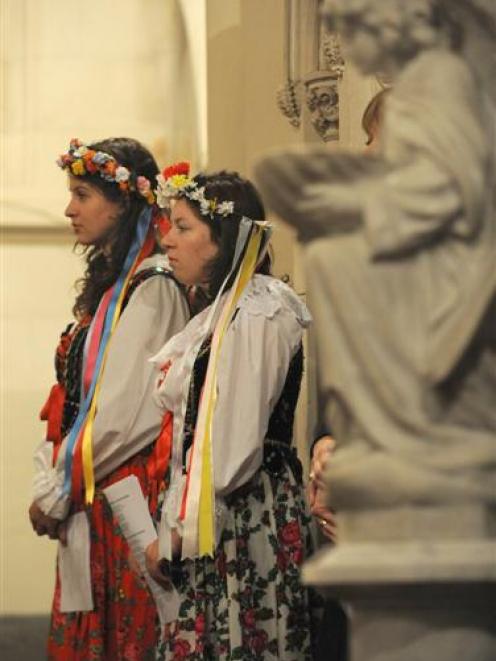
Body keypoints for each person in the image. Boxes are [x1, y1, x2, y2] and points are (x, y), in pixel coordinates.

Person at [145, 166, 319, 660]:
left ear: (222, 238)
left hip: (246, 514)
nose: (168, 240)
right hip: (214, 515)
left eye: (183, 227)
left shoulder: (262, 309)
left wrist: (177, 536)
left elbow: (235, 448)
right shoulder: (218, 314)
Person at [28, 138, 190, 661]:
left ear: (122, 204)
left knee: (128, 640)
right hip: (94, 491)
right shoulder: (113, 290)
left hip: (125, 493)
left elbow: (125, 414)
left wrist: (58, 490)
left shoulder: (154, 287)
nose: (69, 209)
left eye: (82, 195)